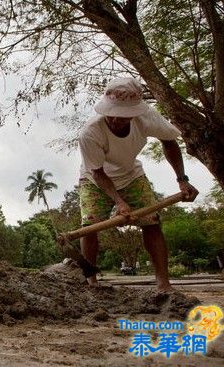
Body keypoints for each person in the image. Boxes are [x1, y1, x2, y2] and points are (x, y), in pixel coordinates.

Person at [78, 77, 199, 292]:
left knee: (152, 222)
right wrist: (119, 202)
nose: (116, 120)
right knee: (90, 226)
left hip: (132, 175)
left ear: (134, 113)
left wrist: (182, 179)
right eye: (112, 113)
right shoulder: (90, 132)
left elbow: (169, 141)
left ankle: (163, 284)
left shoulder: (147, 118)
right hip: (94, 180)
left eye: (123, 116)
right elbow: (98, 173)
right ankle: (91, 282)